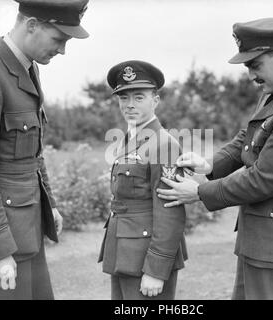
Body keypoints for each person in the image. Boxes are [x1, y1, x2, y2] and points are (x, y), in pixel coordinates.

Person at [157, 18, 273, 300]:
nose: (251, 75)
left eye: (255, 65)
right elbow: (249, 138)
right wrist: (210, 165)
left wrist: (200, 192)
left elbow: (263, 179)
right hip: (266, 240)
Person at [0, 0, 89, 300]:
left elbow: (32, 153)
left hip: (26, 229)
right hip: (0, 239)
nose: (62, 50)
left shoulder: (26, 68)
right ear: (32, 25)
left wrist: (50, 204)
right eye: (59, 39)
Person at [98, 60, 188, 300]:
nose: (129, 105)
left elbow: (170, 211)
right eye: (123, 98)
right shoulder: (129, 139)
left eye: (138, 97)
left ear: (155, 100)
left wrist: (156, 270)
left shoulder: (164, 144)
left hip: (145, 257)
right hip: (124, 251)